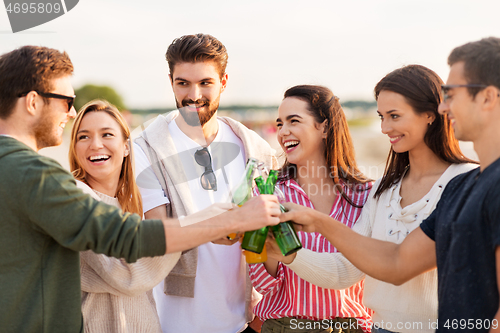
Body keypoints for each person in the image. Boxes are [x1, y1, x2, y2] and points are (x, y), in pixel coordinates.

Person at [0, 45, 281, 333]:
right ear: (33, 102)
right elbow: (127, 244)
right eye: (65, 100)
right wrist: (226, 219)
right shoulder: (35, 175)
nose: (71, 112)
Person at [280, 37, 500, 333]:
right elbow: (369, 267)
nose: (384, 128)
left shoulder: (466, 183)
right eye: (381, 117)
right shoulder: (387, 189)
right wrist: (287, 245)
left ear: (429, 115)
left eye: (394, 116)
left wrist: (317, 222)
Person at [132, 33, 278, 333]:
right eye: (182, 83)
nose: (193, 94)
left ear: (223, 82)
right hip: (172, 321)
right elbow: (157, 235)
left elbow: (270, 236)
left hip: (244, 319)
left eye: (205, 83)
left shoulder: (256, 148)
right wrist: (226, 223)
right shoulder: (144, 147)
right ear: (171, 81)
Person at [248, 85, 374, 333]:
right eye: (280, 124)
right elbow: (262, 285)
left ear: (325, 127)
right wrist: (270, 243)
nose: (283, 132)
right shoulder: (267, 192)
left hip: (354, 327)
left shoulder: (366, 195)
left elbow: (374, 270)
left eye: (293, 121)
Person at [69, 99, 180, 332]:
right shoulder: (76, 199)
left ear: (127, 147)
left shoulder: (130, 209)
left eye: (107, 134)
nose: (95, 144)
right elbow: (127, 274)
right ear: (74, 148)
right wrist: (192, 233)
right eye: (83, 136)